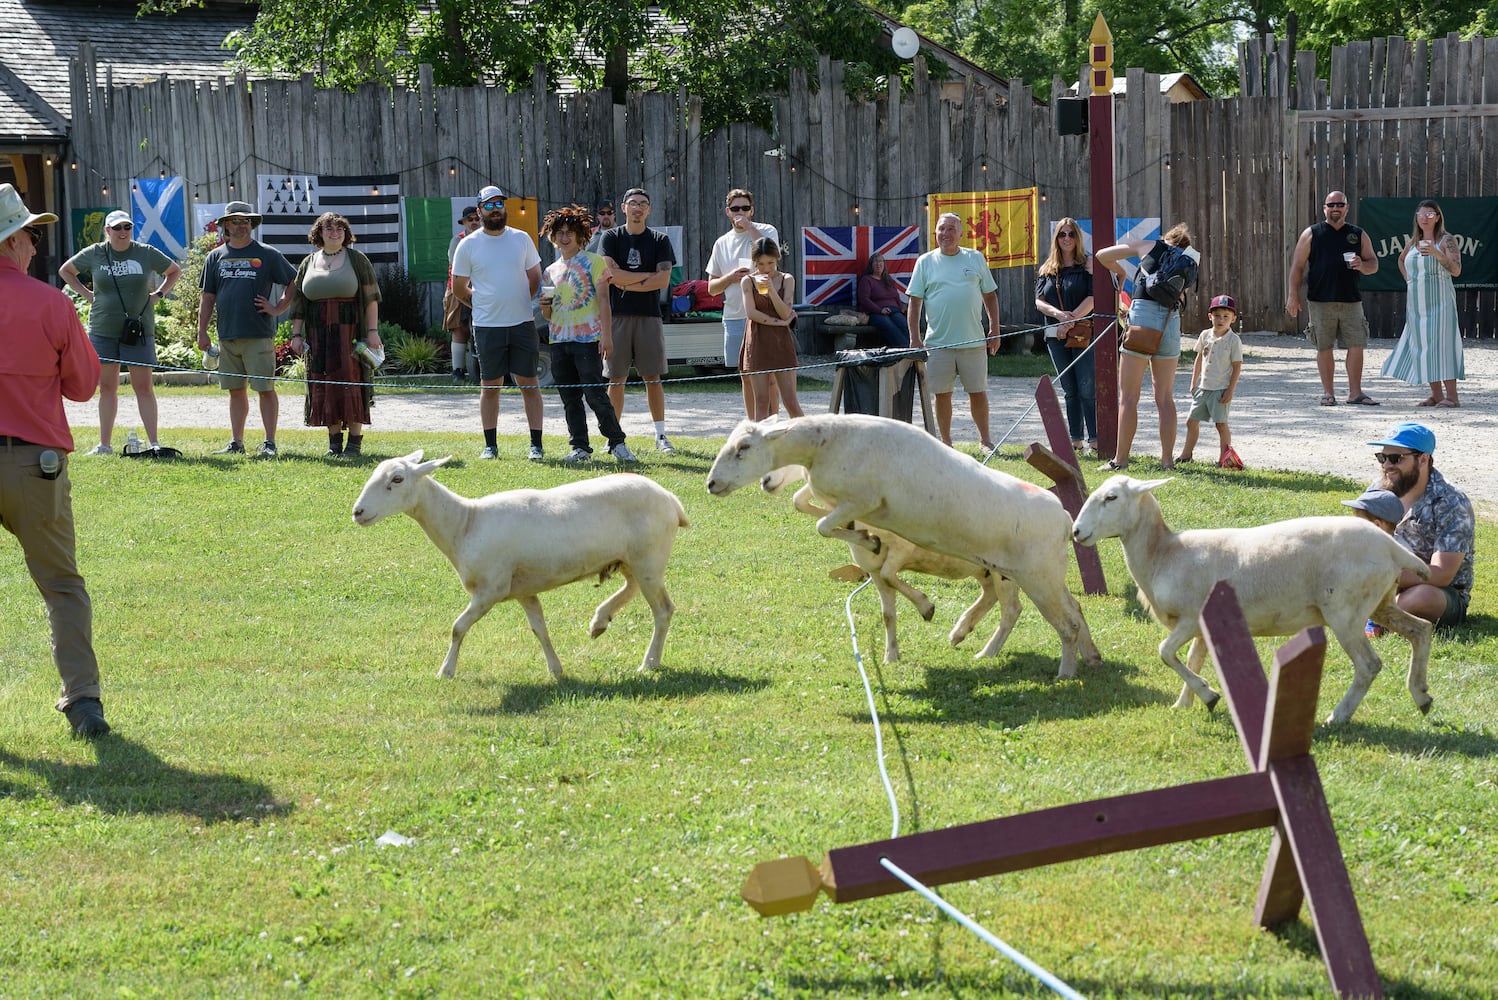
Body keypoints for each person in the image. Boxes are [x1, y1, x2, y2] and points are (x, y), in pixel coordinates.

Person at [0, 183, 110, 737]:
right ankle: (84, 702)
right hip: (33, 464)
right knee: (61, 586)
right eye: (32, 235)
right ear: (14, 240)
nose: (36, 246)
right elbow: (83, 386)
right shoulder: (50, 303)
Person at [60, 209, 182, 456]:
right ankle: (104, 445)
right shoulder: (95, 253)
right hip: (103, 328)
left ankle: (154, 443)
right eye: (117, 228)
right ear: (108, 231)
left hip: (138, 329)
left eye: (127, 227)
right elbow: (66, 271)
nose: (123, 232)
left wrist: (159, 294)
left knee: (144, 387)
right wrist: (87, 294)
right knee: (107, 387)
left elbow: (174, 271)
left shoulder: (145, 253)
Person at [196, 200, 298, 457]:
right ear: (225, 226)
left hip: (258, 334)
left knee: (264, 389)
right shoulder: (215, 257)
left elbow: (294, 282)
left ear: (251, 225)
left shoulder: (267, 254)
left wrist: (277, 308)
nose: (241, 226)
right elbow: (207, 298)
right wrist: (202, 331)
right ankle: (236, 443)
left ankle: (270, 443)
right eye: (235, 221)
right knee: (235, 390)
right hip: (227, 335)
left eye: (246, 221)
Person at [452, 185, 544, 460]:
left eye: (499, 205)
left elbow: (535, 278)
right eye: (489, 206)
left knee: (529, 383)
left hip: (522, 323)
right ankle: (490, 446)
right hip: (487, 326)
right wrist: (480, 304)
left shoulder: (521, 239)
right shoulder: (468, 245)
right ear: (479, 211)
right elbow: (458, 288)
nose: (495, 210)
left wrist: (518, 301)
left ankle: (536, 445)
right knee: (490, 386)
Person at [539, 204, 635, 464]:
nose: (565, 237)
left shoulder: (595, 263)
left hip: (587, 340)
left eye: (570, 232)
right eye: (560, 232)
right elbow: (549, 315)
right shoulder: (550, 271)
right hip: (559, 341)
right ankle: (579, 447)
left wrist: (607, 335)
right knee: (570, 398)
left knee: (595, 395)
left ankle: (617, 443)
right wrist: (544, 308)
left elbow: (604, 301)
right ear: (552, 236)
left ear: (581, 235)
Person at [1097, 223, 1197, 470]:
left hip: (1142, 320)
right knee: (1164, 398)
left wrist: (1122, 271)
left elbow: (1102, 255)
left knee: (1129, 397)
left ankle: (1120, 460)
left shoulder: (1150, 246)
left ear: (1166, 238)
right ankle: (1167, 461)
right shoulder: (1187, 263)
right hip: (1169, 323)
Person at [287, 213, 383, 458]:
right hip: (317, 336)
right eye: (329, 229)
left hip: (350, 333)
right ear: (319, 233)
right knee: (323, 383)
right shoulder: (308, 262)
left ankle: (354, 444)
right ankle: (334, 442)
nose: (335, 233)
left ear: (346, 233)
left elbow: (371, 299)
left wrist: (372, 332)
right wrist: (296, 334)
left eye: (340, 229)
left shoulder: (357, 260)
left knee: (351, 382)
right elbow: (299, 302)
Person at [905, 212, 1000, 450]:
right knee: (942, 395)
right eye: (941, 229)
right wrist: (914, 338)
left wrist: (994, 328)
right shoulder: (925, 262)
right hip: (938, 344)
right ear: (935, 232)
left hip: (974, 342)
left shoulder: (975, 258)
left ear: (960, 234)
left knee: (978, 392)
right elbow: (914, 303)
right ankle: (946, 443)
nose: (945, 234)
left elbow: (990, 295)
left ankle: (985, 441)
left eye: (950, 229)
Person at [1366, 421, 1474, 628]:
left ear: (1423, 459)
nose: (1387, 465)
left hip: (1440, 592)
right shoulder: (1378, 490)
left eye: (1396, 458)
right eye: (1382, 457)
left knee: (1423, 597)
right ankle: (1378, 612)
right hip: (1384, 582)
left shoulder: (1451, 501)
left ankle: (1373, 614)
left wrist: (1387, 575)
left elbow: (1442, 574)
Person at [1285, 190, 1380, 406]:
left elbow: (1373, 264)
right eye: (1331, 205)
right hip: (1320, 300)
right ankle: (1328, 393)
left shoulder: (1358, 234)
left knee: (1357, 345)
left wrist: (1362, 265)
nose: (1335, 208)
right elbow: (1297, 267)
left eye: (1340, 204)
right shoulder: (1312, 233)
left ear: (1347, 208)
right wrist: (1292, 296)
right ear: (1324, 208)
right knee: (1324, 346)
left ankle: (1355, 393)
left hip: (1351, 299)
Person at [601, 188, 676, 453]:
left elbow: (663, 280)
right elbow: (609, 273)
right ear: (623, 207)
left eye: (643, 204)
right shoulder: (610, 237)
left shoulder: (659, 240)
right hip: (617, 316)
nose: (637, 208)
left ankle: (660, 435)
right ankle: (614, 437)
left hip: (649, 315)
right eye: (633, 203)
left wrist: (624, 281)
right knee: (616, 379)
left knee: (652, 377)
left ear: (649, 209)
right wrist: (644, 277)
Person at [705, 188, 781, 416]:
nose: (740, 213)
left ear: (752, 210)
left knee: (769, 378)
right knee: (747, 377)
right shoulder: (721, 243)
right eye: (735, 209)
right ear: (728, 211)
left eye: (745, 208)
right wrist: (730, 278)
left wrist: (749, 228)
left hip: (766, 312)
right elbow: (711, 288)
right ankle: (753, 426)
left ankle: (773, 426)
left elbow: (771, 254)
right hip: (735, 316)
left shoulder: (766, 231)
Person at [1382, 199, 1464, 407]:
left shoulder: (1446, 240)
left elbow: (1456, 270)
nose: (1425, 218)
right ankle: (1436, 394)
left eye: (1430, 214)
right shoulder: (1414, 242)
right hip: (1417, 305)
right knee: (1424, 347)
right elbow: (1401, 260)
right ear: (1416, 217)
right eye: (1421, 214)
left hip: (1441, 302)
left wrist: (1437, 253)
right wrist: (1409, 279)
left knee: (1443, 345)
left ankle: (1452, 396)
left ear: (1437, 217)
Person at [1033, 219, 1095, 453]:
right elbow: (1039, 301)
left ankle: (1096, 440)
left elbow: (1094, 297)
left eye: (1071, 234)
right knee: (1069, 389)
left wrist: (1071, 321)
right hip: (1054, 335)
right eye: (1061, 234)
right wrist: (1059, 316)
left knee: (1087, 388)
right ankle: (1076, 441)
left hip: (1082, 333)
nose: (1066, 238)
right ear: (1056, 238)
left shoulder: (1087, 265)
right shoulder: (1047, 268)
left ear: (1077, 238)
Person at [739, 236, 804, 421]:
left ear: (777, 259)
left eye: (770, 263)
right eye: (760, 264)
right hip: (757, 340)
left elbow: (785, 312)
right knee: (761, 401)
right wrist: (779, 323)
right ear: (754, 262)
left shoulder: (787, 279)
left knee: (791, 401)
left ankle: (810, 442)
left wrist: (772, 290)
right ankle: (762, 445)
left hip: (780, 341)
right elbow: (751, 313)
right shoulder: (748, 281)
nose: (766, 268)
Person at [1178, 293, 1244, 468]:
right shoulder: (1205, 335)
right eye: (1216, 316)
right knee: (1191, 421)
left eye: (1225, 316)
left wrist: (1230, 390)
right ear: (1210, 316)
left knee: (1221, 424)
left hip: (1221, 389)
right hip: (1203, 388)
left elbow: (1237, 366)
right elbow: (1199, 358)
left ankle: (1224, 459)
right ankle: (1186, 455)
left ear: (1233, 319)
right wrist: (1194, 382)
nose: (1220, 320)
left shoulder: (1233, 340)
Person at [444, 204, 481, 382]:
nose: (474, 222)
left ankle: (481, 369)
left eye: (476, 219)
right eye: (470, 220)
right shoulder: (457, 241)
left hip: (483, 290)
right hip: (458, 288)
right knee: (459, 329)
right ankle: (457, 370)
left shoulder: (487, 239)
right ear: (464, 222)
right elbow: (456, 266)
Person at [858, 253, 911, 349]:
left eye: (880, 261)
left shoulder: (888, 280)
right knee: (888, 325)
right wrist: (879, 310)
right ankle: (905, 350)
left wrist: (900, 308)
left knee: (904, 324)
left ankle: (911, 349)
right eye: (875, 262)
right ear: (871, 265)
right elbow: (864, 299)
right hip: (875, 312)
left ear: (884, 264)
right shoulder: (867, 280)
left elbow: (896, 296)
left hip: (893, 310)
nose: (878, 264)